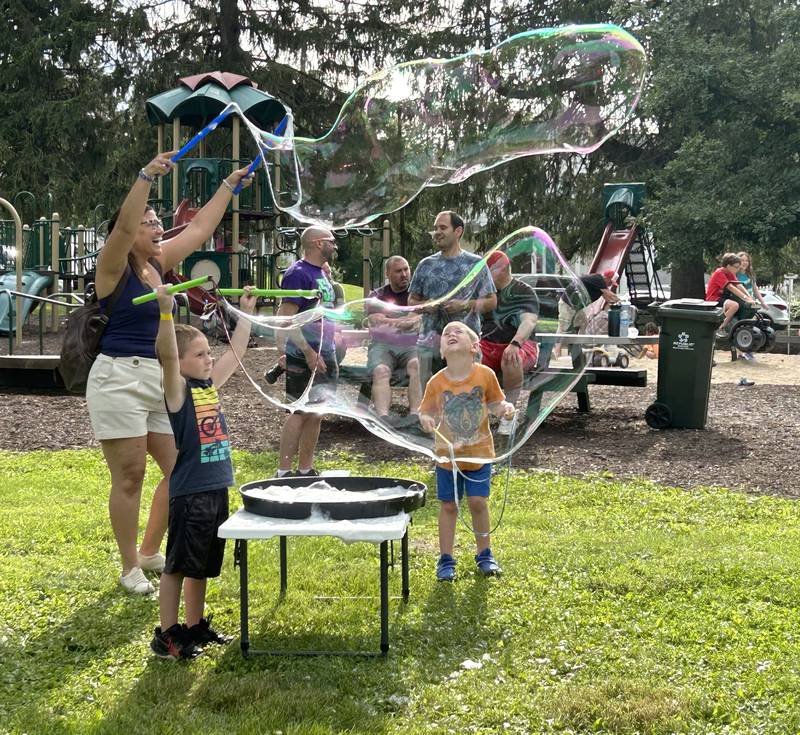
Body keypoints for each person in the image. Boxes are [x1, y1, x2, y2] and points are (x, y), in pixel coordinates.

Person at [85, 151, 253, 595]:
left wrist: (228, 187)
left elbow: (199, 229)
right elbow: (122, 229)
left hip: (162, 377)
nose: (158, 227)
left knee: (178, 467)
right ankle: (128, 567)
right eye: (150, 222)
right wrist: (144, 177)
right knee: (129, 474)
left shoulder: (158, 264)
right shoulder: (113, 268)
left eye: (159, 221)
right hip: (118, 378)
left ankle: (149, 550)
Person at [149, 284, 256, 659]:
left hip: (215, 489)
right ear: (180, 362)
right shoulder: (178, 391)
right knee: (178, 565)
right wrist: (165, 312)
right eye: (199, 354)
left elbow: (238, 352)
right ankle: (167, 635)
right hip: (190, 493)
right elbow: (165, 354)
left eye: (209, 352)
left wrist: (243, 313)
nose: (209, 359)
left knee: (201, 565)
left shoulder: (208, 386)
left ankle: (194, 627)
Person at [418, 321, 515, 581]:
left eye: (457, 332)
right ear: (441, 351)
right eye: (446, 333)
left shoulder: (485, 375)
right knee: (449, 505)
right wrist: (426, 419)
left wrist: (504, 408)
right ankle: (446, 559)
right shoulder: (437, 382)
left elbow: (495, 403)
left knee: (477, 502)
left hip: (480, 453)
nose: (450, 334)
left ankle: (485, 554)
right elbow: (425, 410)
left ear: (474, 347)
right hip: (447, 457)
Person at [274, 226, 339, 478]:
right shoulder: (297, 274)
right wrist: (308, 351)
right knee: (299, 411)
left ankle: (305, 469)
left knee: (317, 413)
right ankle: (283, 472)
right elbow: (287, 318)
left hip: (326, 351)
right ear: (318, 243)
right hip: (304, 354)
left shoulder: (320, 273)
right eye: (331, 242)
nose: (334, 246)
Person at [408, 211, 496, 383]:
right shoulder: (425, 265)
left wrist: (464, 305)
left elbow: (492, 301)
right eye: (435, 228)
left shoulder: (475, 264)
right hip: (429, 344)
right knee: (429, 399)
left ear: (458, 232)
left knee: (465, 395)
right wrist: (426, 305)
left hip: (464, 345)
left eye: (443, 227)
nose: (437, 232)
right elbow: (411, 301)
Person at [479, 251, 539, 433]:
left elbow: (528, 321)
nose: (484, 277)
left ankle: (508, 415)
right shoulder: (486, 294)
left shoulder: (523, 291)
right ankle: (476, 414)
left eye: (488, 272)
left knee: (511, 358)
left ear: (502, 270)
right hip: (488, 344)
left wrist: (515, 343)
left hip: (521, 345)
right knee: (470, 358)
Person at [366, 255, 422, 422]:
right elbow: (376, 322)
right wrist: (404, 321)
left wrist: (390, 321)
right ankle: (383, 418)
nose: (404, 274)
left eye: (406, 269)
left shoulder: (416, 294)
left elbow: (416, 320)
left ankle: (415, 416)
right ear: (388, 273)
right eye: (398, 271)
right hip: (382, 345)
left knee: (417, 366)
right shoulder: (377, 295)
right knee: (381, 371)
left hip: (410, 345)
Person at [554, 270, 620, 359]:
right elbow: (609, 294)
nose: (610, 285)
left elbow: (608, 298)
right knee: (563, 327)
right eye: (610, 282)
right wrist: (620, 300)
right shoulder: (598, 279)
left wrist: (615, 302)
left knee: (583, 323)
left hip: (576, 308)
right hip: (567, 304)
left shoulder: (599, 286)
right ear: (606, 278)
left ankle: (579, 347)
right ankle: (556, 352)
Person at [705, 253, 757, 338]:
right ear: (728, 266)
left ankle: (731, 326)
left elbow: (739, 285)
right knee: (734, 305)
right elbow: (731, 287)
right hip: (713, 299)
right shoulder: (719, 273)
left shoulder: (730, 273)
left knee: (739, 305)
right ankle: (719, 327)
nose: (737, 270)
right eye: (736, 267)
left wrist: (749, 297)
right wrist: (745, 298)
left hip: (722, 298)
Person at [735, 251, 768, 361]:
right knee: (740, 327)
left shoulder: (750, 275)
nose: (744, 263)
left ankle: (748, 352)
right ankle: (740, 354)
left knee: (751, 327)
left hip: (751, 304)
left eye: (746, 260)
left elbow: (755, 290)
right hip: (741, 304)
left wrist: (762, 302)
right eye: (742, 260)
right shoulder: (735, 274)